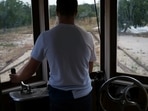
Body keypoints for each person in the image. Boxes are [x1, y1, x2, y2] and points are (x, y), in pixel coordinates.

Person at [9, 0, 96, 111]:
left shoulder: (46, 37)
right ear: (76, 12)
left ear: (57, 12)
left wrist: (17, 78)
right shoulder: (87, 36)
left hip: (60, 98)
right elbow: (90, 67)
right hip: (84, 96)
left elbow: (31, 68)